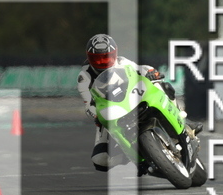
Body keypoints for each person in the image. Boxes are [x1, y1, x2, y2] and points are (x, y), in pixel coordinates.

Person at [77, 34, 200, 172]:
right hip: (111, 111)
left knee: (161, 85)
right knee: (100, 159)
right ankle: (134, 157)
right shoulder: (85, 77)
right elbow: (88, 104)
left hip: (132, 98)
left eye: (106, 57)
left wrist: (151, 72)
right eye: (97, 59)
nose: (102, 62)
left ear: (114, 53)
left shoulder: (122, 62)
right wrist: (96, 115)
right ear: (89, 58)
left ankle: (183, 120)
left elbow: (141, 69)